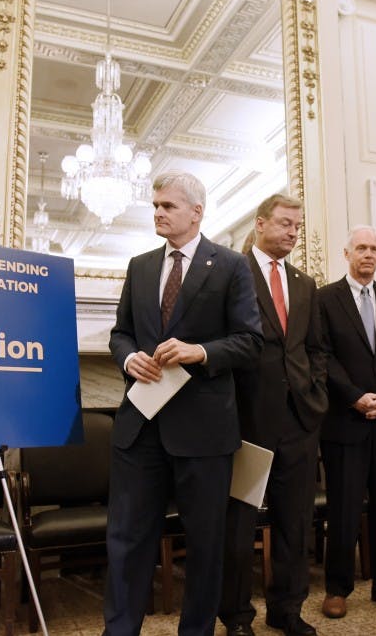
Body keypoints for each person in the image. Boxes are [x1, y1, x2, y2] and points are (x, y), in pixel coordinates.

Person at [104, 171, 263, 636]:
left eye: (168, 206)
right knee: (127, 540)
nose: (158, 212)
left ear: (196, 212)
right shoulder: (140, 266)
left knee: (205, 543)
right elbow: (121, 333)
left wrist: (201, 352)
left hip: (205, 430)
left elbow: (251, 342)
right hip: (140, 427)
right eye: (155, 205)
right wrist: (127, 357)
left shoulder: (231, 266)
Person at [220, 193, 328, 636]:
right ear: (261, 224)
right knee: (239, 525)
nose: (292, 233)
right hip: (246, 419)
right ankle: (237, 616)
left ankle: (287, 611)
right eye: (285, 224)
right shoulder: (232, 273)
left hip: (299, 420)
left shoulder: (304, 283)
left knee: (294, 522)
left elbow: (315, 347)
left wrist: (314, 392)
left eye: (297, 227)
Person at [317, 225, 376, 619]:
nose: (369, 255)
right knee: (342, 509)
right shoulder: (325, 299)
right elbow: (322, 357)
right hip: (345, 420)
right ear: (347, 253)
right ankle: (337, 588)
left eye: (375, 249)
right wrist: (356, 398)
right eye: (361, 248)